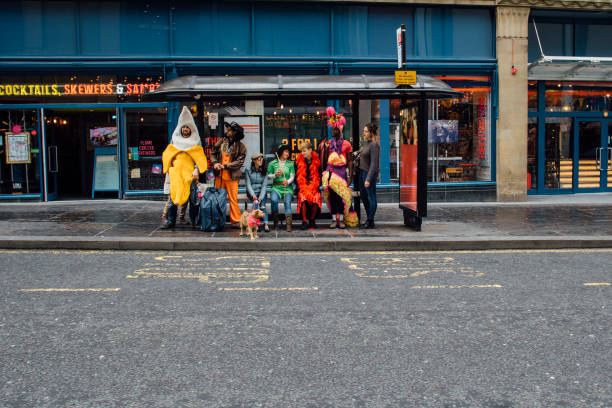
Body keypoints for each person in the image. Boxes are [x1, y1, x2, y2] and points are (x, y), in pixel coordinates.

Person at [161, 106, 207, 229]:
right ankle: (171, 221)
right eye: (184, 127)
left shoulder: (196, 141)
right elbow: (168, 154)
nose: (185, 129)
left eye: (187, 127)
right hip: (176, 174)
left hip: (190, 175)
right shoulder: (174, 140)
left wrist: (197, 169)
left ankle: (194, 220)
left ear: (191, 129)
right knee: (173, 198)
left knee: (192, 199)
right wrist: (169, 167)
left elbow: (199, 156)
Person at [210, 121, 247, 228]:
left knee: (233, 199)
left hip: (232, 177)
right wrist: (215, 163)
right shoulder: (221, 142)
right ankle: (217, 221)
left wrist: (226, 166)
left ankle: (235, 221)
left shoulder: (241, 146)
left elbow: (239, 162)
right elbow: (213, 153)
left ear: (235, 132)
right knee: (218, 199)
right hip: (219, 176)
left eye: (230, 130)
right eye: (228, 129)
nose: (228, 131)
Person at [320, 107, 353, 229]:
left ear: (341, 128)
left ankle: (342, 219)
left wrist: (350, 176)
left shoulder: (347, 144)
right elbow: (324, 160)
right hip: (331, 172)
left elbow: (350, 161)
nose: (334, 130)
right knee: (333, 196)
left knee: (342, 196)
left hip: (342, 173)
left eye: (336, 128)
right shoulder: (328, 143)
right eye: (333, 128)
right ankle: (334, 219)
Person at [267, 144, 295, 232]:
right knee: (274, 200)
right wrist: (275, 175)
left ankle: (288, 225)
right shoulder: (272, 163)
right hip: (276, 187)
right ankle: (276, 223)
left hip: (287, 188)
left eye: (288, 152)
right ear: (281, 152)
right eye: (286, 151)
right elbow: (268, 175)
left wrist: (288, 181)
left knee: (287, 202)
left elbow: (292, 176)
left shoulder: (290, 164)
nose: (288, 153)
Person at [358, 123, 380, 229]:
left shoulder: (374, 145)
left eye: (366, 131)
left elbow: (374, 163)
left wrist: (368, 179)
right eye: (364, 131)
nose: (364, 133)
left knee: (371, 197)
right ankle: (369, 219)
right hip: (363, 172)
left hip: (369, 173)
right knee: (363, 195)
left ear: (371, 133)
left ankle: (370, 220)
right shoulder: (367, 143)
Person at [295, 141, 321, 230]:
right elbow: (297, 177)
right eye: (301, 151)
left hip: (313, 186)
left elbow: (319, 176)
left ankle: (312, 220)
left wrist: (314, 186)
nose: (302, 153)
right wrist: (303, 186)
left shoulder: (317, 160)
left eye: (304, 151)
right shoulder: (298, 161)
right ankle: (304, 221)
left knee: (316, 196)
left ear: (310, 150)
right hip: (302, 186)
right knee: (303, 197)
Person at [245, 153, 270, 233]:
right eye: (259, 159)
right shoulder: (248, 170)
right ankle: (256, 224)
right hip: (252, 192)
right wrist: (254, 196)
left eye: (262, 159)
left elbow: (264, 186)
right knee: (256, 204)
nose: (261, 161)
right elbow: (248, 184)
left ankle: (266, 224)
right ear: (254, 161)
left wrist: (261, 197)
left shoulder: (264, 170)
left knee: (262, 206)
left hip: (261, 193)